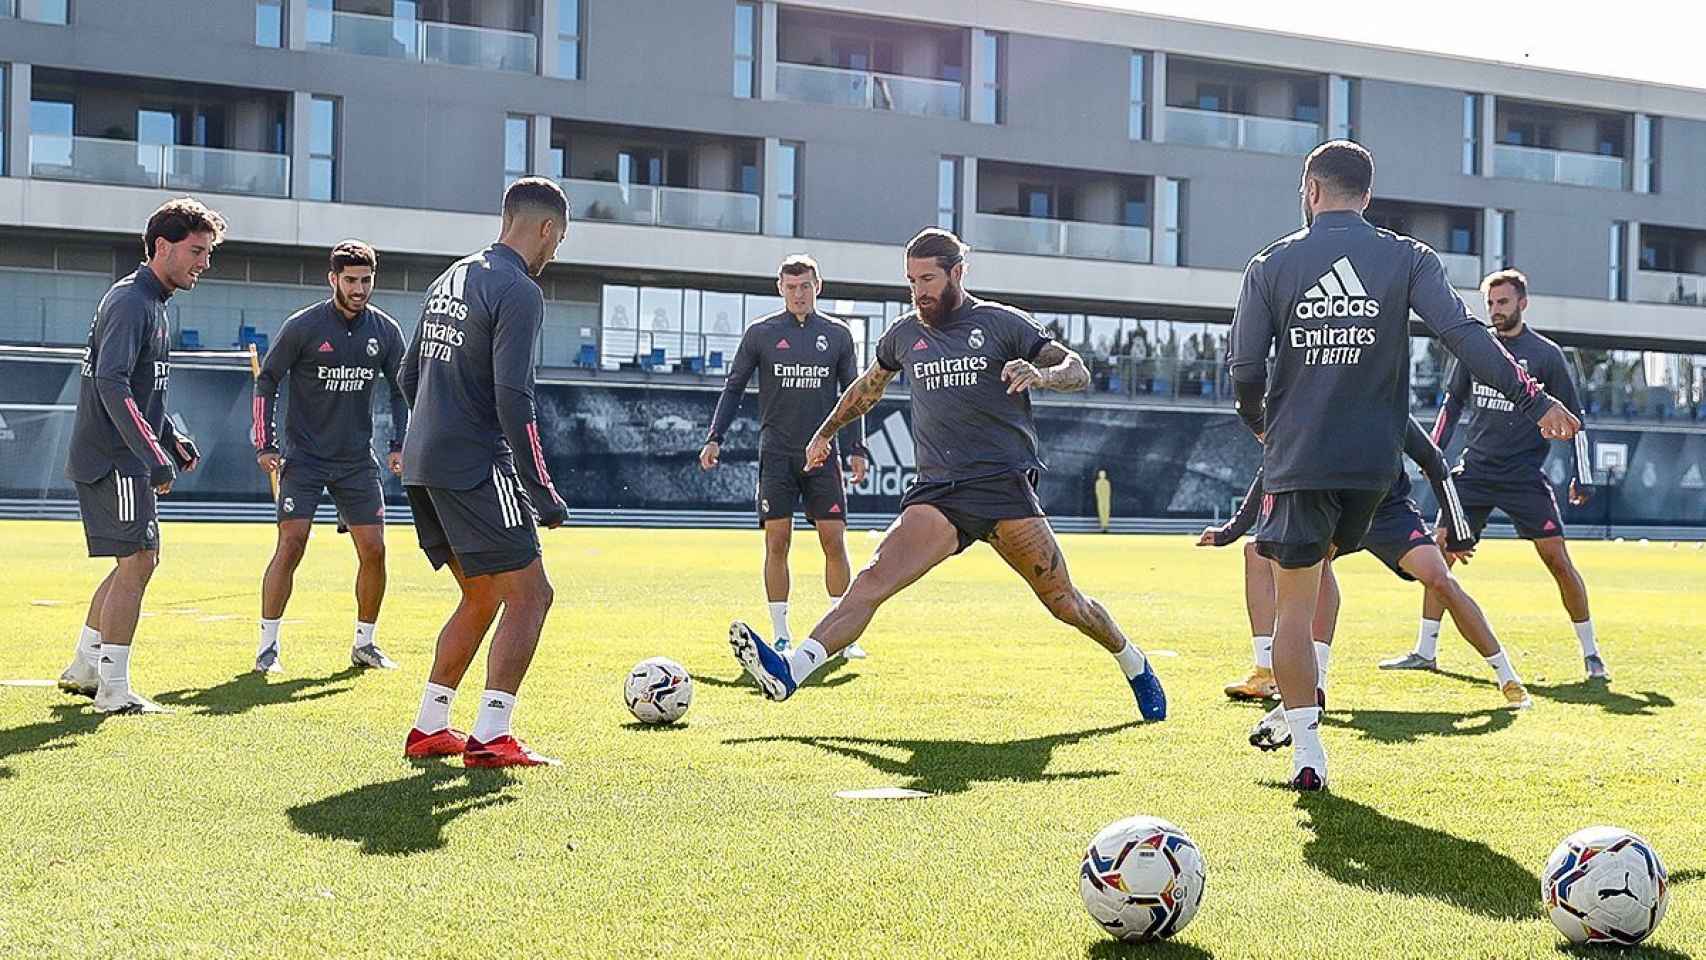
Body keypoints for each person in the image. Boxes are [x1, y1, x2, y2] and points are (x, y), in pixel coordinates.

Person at [1227, 140, 1579, 790]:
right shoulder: (1407, 256)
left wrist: (1263, 429)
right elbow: (1464, 335)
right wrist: (1535, 399)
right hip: (1374, 471)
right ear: (1367, 194)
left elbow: (1246, 372)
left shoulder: (1270, 264)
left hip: (1301, 461)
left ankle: (1308, 748)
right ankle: (1311, 690)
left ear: (1311, 192)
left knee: (1294, 603)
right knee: (1325, 567)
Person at [725, 228, 1165, 721]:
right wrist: (826, 432)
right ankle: (791, 669)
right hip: (938, 493)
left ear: (958, 272)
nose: (919, 292)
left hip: (1003, 488)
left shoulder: (1000, 323)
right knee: (870, 581)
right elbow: (867, 389)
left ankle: (1134, 663)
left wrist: (1041, 376)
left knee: (1065, 603)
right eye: (911, 281)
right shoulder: (905, 334)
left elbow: (1076, 369)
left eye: (928, 279)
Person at [1204, 418, 1534, 753]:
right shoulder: (1319, 407)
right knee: (1262, 553)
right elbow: (1273, 463)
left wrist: (1458, 530)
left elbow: (1435, 462)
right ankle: (1273, 674)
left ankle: (1506, 674)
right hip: (1336, 509)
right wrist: (1231, 530)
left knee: (1440, 580)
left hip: (1388, 513)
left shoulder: (1389, 406)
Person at [398, 177, 569, 768]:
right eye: (559, 240)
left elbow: (405, 374)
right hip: (474, 461)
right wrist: (541, 489)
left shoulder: (453, 275)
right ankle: (493, 736)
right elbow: (513, 396)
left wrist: (426, 429)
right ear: (545, 228)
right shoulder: (519, 290)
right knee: (532, 595)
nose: (554, 253)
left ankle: (429, 727)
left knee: (481, 595)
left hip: (423, 462)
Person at [1381, 269, 1605, 679]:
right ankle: (1425, 650)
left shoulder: (1547, 356)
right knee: (1440, 551)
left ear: (1522, 303)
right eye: (1490, 303)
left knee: (1557, 559)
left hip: (1523, 475)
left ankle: (1591, 653)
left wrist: (1582, 475)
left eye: (1503, 302)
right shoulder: (1475, 349)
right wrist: (1431, 455)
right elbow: (1451, 407)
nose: (1495, 310)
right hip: (1475, 473)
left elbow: (1577, 420)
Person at [57, 197, 225, 714]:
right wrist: (152, 454)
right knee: (140, 561)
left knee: (130, 561)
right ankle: (113, 690)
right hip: (116, 459)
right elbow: (110, 382)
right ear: (162, 246)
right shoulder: (133, 302)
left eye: (209, 252)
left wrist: (169, 431)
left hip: (120, 454)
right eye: (197, 250)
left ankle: (86, 667)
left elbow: (141, 384)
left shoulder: (151, 302)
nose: (204, 262)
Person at [700, 255, 871, 659]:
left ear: (818, 286)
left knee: (834, 540)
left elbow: (855, 398)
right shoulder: (761, 334)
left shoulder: (839, 335)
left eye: (806, 286)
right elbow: (734, 387)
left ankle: (842, 635)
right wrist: (714, 437)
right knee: (778, 541)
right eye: (792, 287)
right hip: (776, 455)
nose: (799, 293)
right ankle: (780, 633)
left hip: (822, 455)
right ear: (781, 288)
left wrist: (857, 448)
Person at [252, 240, 408, 674]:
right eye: (351, 280)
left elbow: (400, 390)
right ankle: (268, 648)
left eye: (366, 280)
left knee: (374, 551)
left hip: (357, 463)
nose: (359, 288)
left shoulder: (386, 331)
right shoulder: (303, 327)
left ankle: (365, 644)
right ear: (333, 279)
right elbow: (268, 380)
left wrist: (400, 443)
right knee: (292, 545)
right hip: (304, 459)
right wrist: (265, 443)